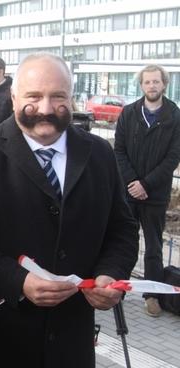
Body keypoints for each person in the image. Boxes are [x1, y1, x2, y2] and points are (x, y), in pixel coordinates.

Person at [0, 52, 139, 368]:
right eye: (34, 96)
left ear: (71, 98)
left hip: (71, 341)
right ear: (14, 97)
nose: (45, 108)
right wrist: (17, 281)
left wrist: (111, 274)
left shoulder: (99, 153)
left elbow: (122, 227)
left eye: (58, 97)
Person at [114, 64, 180, 317]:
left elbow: (173, 157)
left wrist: (147, 184)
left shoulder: (175, 116)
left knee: (153, 247)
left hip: (155, 194)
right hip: (128, 191)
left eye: (156, 82)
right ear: (141, 85)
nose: (152, 86)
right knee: (122, 241)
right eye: (147, 82)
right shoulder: (129, 113)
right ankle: (115, 288)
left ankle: (152, 295)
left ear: (164, 84)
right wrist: (133, 182)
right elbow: (119, 150)